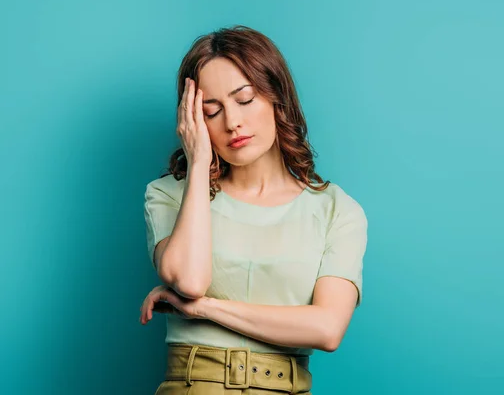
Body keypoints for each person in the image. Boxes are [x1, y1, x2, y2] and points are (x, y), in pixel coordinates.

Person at [139, 25, 368, 395]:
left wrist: (205, 309)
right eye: (211, 112)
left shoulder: (336, 210)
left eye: (245, 100)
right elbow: (190, 280)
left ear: (277, 96)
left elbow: (327, 329)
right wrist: (198, 164)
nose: (233, 123)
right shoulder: (167, 195)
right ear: (193, 121)